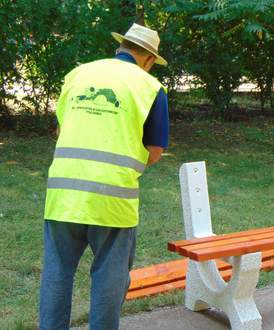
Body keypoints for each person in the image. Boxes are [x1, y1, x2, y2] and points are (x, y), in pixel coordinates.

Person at [39, 23, 169, 330]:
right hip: (112, 201)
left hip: (63, 196)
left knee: (57, 273)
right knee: (109, 281)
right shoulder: (150, 88)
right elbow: (154, 151)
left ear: (121, 46)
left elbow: (61, 129)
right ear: (149, 59)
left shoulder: (77, 75)